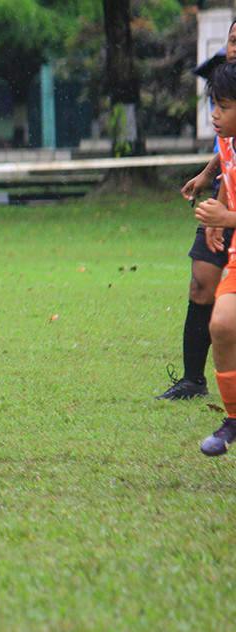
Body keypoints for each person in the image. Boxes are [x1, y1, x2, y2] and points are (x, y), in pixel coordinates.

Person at [159, 18, 236, 400]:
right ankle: (194, 379)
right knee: (203, 282)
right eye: (232, 40)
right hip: (227, 204)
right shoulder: (227, 108)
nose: (234, 47)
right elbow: (226, 159)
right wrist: (213, 195)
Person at [193, 63, 236, 455]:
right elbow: (228, 173)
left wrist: (226, 218)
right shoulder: (227, 142)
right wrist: (219, 216)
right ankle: (233, 419)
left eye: (223, 106)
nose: (214, 115)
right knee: (221, 325)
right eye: (213, 105)